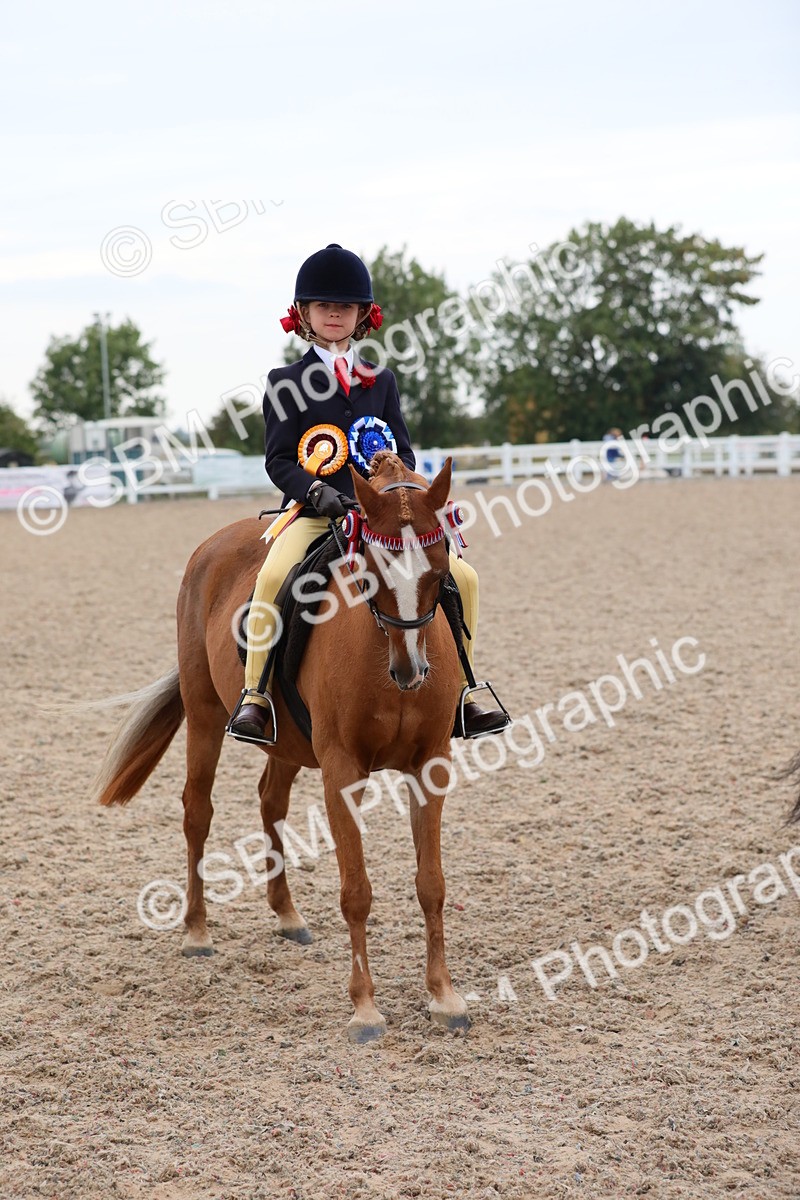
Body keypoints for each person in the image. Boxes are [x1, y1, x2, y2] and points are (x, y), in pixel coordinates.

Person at [228, 243, 508, 744]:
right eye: (323, 307)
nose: (334, 314)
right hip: (318, 513)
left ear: (362, 316)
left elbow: (404, 450)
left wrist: (392, 471)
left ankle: (465, 691)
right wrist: (316, 492)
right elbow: (278, 460)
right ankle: (256, 696)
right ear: (305, 315)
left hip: (382, 519)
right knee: (272, 576)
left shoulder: (381, 381)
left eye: (345, 307)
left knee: (463, 577)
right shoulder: (284, 382)